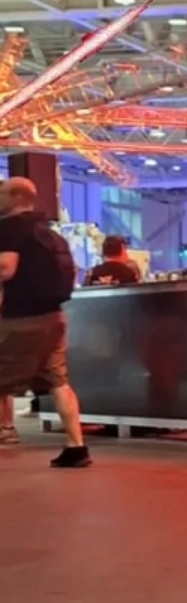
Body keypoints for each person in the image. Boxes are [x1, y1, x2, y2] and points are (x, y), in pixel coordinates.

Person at [0, 177, 90, 467]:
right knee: (58, 381)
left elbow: (5, 268)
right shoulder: (50, 234)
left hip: (20, 318)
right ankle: (76, 447)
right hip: (54, 317)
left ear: (15, 197)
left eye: (1, 192)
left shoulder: (9, 228)